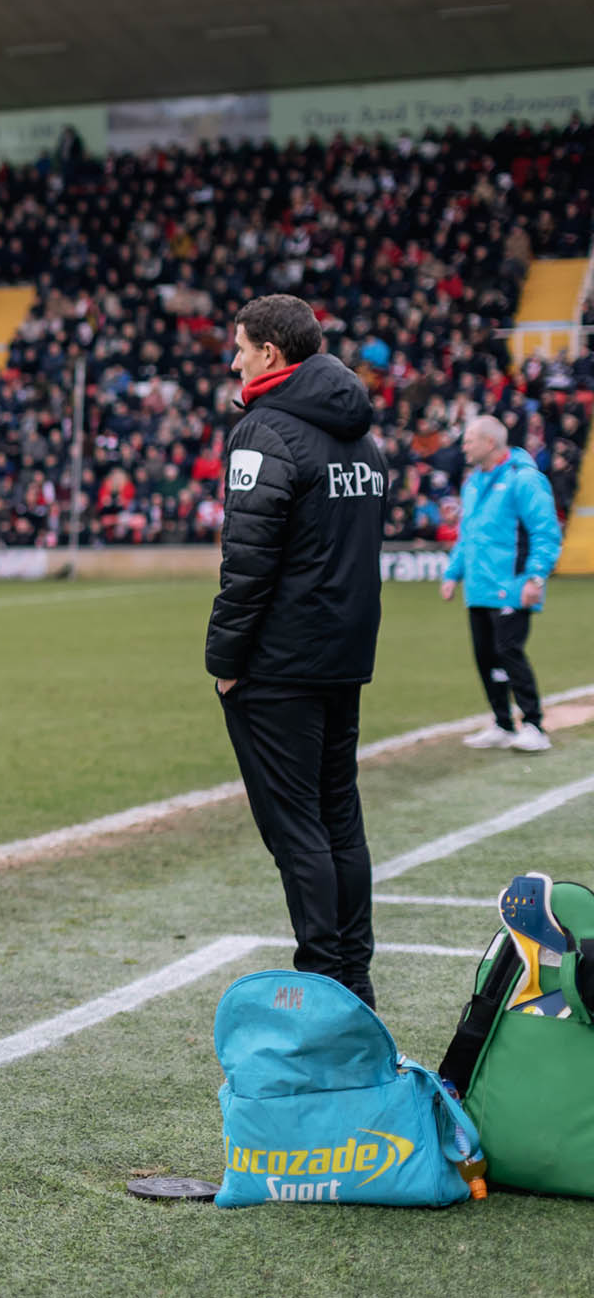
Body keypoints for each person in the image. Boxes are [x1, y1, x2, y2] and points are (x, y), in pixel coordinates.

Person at [206, 294, 387, 1008]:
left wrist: (225, 657)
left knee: (297, 827)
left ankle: (324, 978)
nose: (234, 359)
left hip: (279, 662)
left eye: (241, 347)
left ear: (272, 355)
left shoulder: (264, 429)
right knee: (340, 814)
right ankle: (355, 976)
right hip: (345, 653)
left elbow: (249, 559)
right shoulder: (360, 434)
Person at [442, 415, 562, 753]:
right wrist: (453, 574)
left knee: (509, 651)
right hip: (479, 588)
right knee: (485, 657)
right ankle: (502, 723)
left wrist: (536, 577)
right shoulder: (473, 483)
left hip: (513, 585)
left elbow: (546, 532)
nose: (463, 446)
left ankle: (535, 724)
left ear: (490, 443)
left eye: (469, 440)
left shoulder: (524, 480)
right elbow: (469, 536)